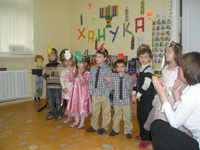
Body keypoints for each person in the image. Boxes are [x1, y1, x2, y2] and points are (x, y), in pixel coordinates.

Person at [151, 52, 200, 150]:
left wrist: (162, 95)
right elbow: (181, 114)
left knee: (157, 126)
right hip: (196, 140)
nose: (178, 69)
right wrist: (176, 95)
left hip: (196, 145)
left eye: (181, 67)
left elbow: (175, 122)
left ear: (188, 71)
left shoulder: (192, 93)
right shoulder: (193, 88)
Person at [144, 41, 182, 130]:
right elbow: (163, 80)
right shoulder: (165, 68)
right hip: (162, 96)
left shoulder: (179, 69)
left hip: (172, 97)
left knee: (170, 119)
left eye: (169, 52)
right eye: (166, 52)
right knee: (160, 118)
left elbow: (179, 84)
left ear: (176, 54)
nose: (166, 54)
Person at [131, 44, 156, 149]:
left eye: (145, 57)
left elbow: (146, 84)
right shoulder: (139, 70)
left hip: (147, 98)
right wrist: (133, 94)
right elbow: (137, 84)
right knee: (140, 115)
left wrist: (138, 95)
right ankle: (142, 134)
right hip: (140, 97)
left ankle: (147, 138)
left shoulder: (149, 70)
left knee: (146, 117)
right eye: (141, 57)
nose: (143, 59)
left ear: (150, 58)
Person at [104, 53, 133, 139]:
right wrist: (110, 81)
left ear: (125, 67)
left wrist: (127, 81)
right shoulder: (114, 77)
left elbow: (129, 88)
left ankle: (128, 131)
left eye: (122, 66)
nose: (120, 68)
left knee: (127, 117)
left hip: (126, 101)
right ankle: (115, 129)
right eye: (118, 67)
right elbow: (111, 88)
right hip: (116, 101)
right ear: (115, 68)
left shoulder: (128, 76)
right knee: (116, 116)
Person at [86, 46, 112, 135]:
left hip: (104, 94)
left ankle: (105, 126)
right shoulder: (93, 69)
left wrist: (107, 92)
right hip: (95, 93)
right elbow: (90, 81)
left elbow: (110, 82)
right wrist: (91, 91)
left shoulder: (108, 69)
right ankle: (94, 126)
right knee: (95, 110)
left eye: (100, 57)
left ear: (105, 58)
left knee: (106, 111)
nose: (97, 58)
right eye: (96, 56)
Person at [66, 51, 92, 129]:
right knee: (76, 106)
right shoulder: (76, 71)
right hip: (75, 93)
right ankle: (76, 121)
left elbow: (84, 82)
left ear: (85, 64)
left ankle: (82, 123)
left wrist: (80, 75)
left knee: (82, 107)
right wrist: (71, 72)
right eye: (77, 63)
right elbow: (71, 79)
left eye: (80, 63)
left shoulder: (87, 72)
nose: (78, 65)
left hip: (83, 93)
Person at [42, 46, 63, 120]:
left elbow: (60, 74)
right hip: (49, 87)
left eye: (53, 56)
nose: (51, 57)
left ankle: (59, 114)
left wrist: (51, 73)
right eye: (49, 56)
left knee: (58, 101)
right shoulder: (47, 66)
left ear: (56, 56)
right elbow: (43, 74)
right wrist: (46, 74)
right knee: (50, 101)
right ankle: (51, 113)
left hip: (57, 87)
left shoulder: (58, 65)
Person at [60, 49, 76, 124]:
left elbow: (74, 79)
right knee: (68, 104)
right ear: (63, 62)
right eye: (66, 61)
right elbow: (61, 80)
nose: (68, 62)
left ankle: (76, 118)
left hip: (74, 91)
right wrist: (63, 88)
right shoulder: (63, 71)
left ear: (72, 61)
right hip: (67, 91)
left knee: (74, 104)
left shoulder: (74, 70)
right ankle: (69, 117)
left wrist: (71, 71)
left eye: (69, 60)